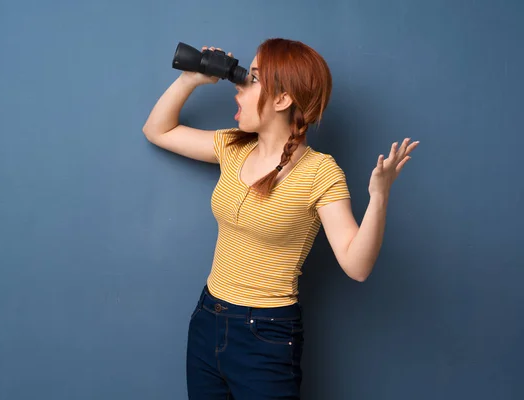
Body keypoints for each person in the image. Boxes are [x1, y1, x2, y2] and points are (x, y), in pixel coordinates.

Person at [142, 38, 419, 400]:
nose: (239, 85)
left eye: (253, 78)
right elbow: (157, 130)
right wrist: (191, 79)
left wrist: (379, 198)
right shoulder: (233, 147)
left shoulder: (320, 172)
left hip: (265, 335)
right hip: (208, 318)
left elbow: (357, 265)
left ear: (282, 99)